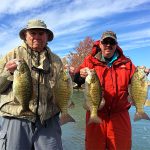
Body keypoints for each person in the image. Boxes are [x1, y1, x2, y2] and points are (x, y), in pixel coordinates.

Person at [73, 31, 150, 150]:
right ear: (100, 44)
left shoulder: (127, 63)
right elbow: (77, 79)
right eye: (105, 42)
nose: (108, 45)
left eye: (112, 42)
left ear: (116, 44)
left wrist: (143, 73)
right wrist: (80, 76)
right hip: (96, 113)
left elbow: (136, 82)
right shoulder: (90, 61)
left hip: (120, 115)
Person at [0, 19, 63, 150]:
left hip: (48, 121)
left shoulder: (57, 60)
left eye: (41, 33)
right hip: (16, 118)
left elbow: (62, 90)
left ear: (47, 37)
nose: (37, 37)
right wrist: (7, 73)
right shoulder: (10, 56)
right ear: (25, 36)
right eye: (33, 33)